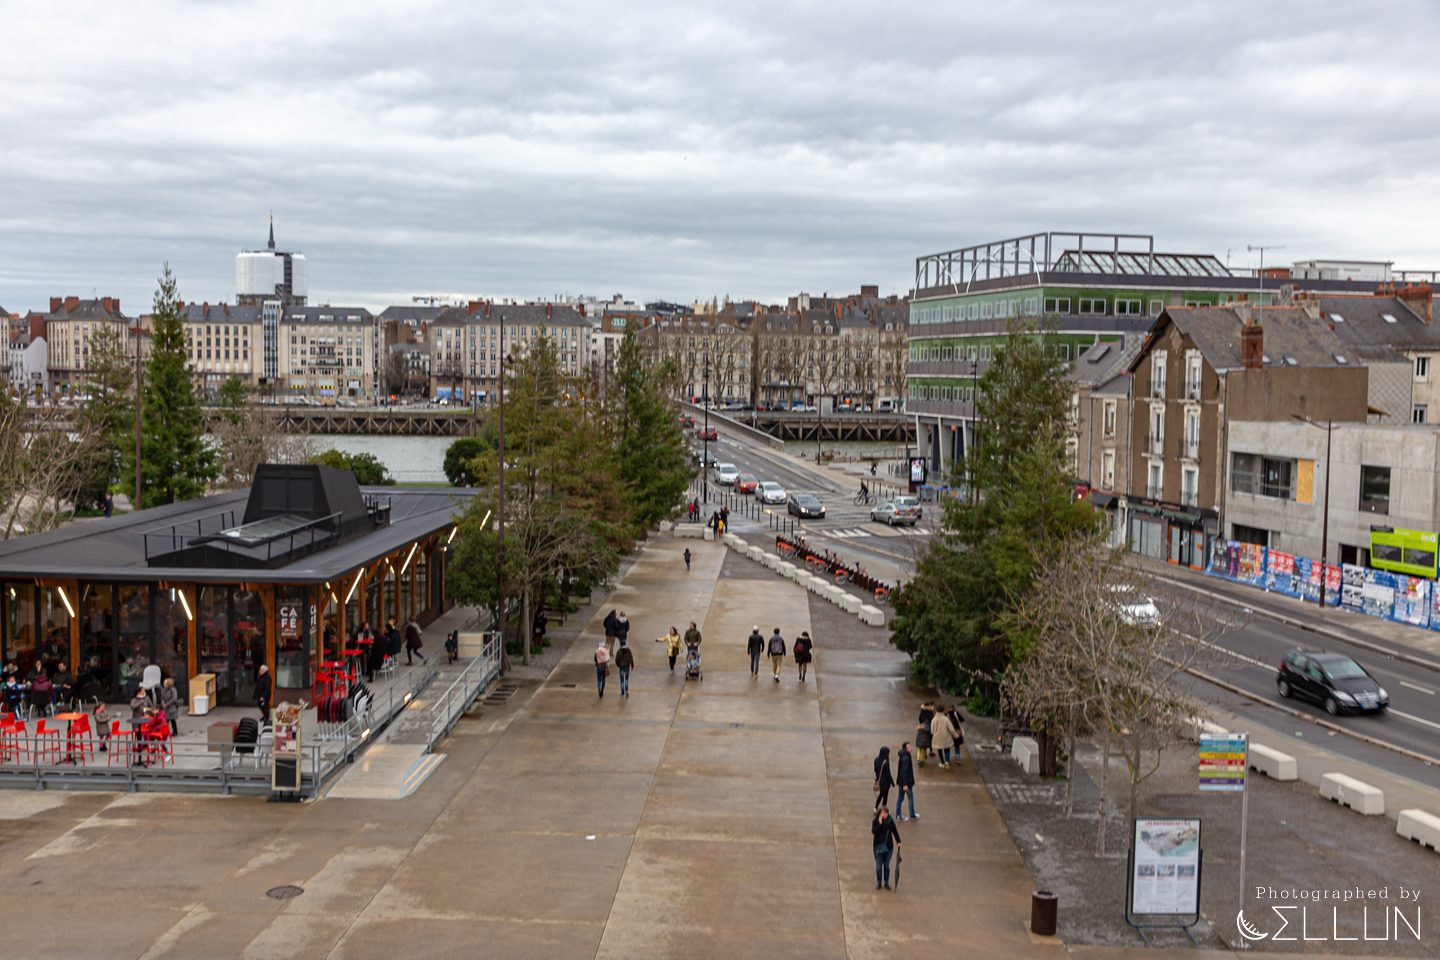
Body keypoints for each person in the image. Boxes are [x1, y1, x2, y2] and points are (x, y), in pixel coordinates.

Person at [872, 806, 901, 890]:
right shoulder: (875, 821)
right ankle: (879, 882)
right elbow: (874, 831)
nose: (884, 814)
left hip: (888, 847)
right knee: (879, 866)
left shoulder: (890, 821)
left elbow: (895, 832)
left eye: (885, 813)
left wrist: (898, 841)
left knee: (887, 866)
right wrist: (880, 823)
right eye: (882, 813)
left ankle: (886, 882)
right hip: (878, 847)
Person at [930, 705, 958, 771]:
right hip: (946, 737)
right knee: (947, 750)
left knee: (939, 750)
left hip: (937, 738)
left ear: (937, 711)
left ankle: (942, 763)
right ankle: (947, 762)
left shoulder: (934, 720)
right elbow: (951, 729)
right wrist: (956, 735)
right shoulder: (946, 719)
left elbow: (932, 731)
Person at [896, 742, 917, 821]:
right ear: (905, 749)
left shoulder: (904, 756)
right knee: (910, 798)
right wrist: (905, 784)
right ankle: (912, 814)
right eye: (908, 747)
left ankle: (898, 814)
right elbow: (904, 772)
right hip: (906, 782)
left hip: (901, 782)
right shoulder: (906, 758)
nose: (910, 748)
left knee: (900, 797)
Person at [873, 745, 894, 812]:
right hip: (885, 783)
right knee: (885, 797)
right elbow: (888, 774)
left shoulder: (876, 759)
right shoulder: (886, 763)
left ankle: (876, 807)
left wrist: (877, 777)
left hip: (879, 781)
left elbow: (875, 770)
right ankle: (883, 810)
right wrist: (892, 782)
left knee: (881, 795)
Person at [915, 700, 935, 767]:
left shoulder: (922, 711)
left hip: (922, 726)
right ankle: (923, 759)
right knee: (925, 747)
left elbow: (919, 718)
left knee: (920, 748)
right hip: (928, 727)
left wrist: (921, 723)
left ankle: (918, 759)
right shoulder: (930, 712)